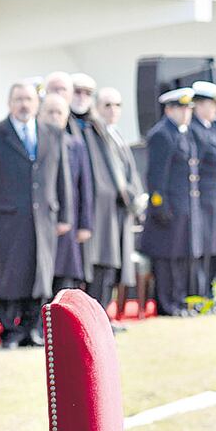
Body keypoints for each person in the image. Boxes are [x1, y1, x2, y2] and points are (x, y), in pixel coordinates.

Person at [0, 81, 72, 348]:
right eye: (18, 99)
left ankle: (33, 329)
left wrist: (65, 215)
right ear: (10, 103)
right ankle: (10, 331)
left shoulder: (52, 133)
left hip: (44, 218)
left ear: (37, 103)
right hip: (7, 218)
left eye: (28, 99)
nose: (24, 105)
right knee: (10, 274)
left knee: (40, 275)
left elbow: (62, 176)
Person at [140, 87, 203, 316]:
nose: (185, 113)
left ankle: (178, 300)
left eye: (187, 108)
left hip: (183, 208)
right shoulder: (162, 134)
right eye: (180, 108)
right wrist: (159, 205)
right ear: (169, 109)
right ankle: (167, 304)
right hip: (168, 210)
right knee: (167, 260)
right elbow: (156, 175)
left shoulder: (181, 133)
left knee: (180, 259)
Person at [87, 85, 142, 320]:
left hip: (122, 211)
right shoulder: (96, 136)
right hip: (104, 214)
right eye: (107, 105)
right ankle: (98, 319)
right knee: (103, 267)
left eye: (117, 105)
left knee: (116, 269)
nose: (112, 110)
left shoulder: (117, 136)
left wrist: (135, 197)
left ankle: (106, 317)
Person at [40, 92, 93, 293]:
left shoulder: (75, 145)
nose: (54, 116)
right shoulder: (33, 143)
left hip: (68, 222)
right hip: (41, 222)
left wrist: (85, 224)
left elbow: (84, 186)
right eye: (50, 112)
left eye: (59, 112)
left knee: (64, 277)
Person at [189, 80, 216, 295]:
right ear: (200, 106)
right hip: (203, 199)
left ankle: (210, 293)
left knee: (215, 250)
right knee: (202, 251)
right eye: (213, 105)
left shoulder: (215, 129)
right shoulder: (194, 130)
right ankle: (201, 292)